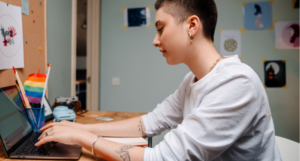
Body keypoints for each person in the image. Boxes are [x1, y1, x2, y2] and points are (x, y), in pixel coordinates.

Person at [36, 0, 282, 160]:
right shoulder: (192, 81)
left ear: (192, 26)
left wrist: (81, 138)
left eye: (161, 28)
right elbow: (149, 123)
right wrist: (80, 128)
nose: (155, 40)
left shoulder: (236, 83)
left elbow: (163, 159)